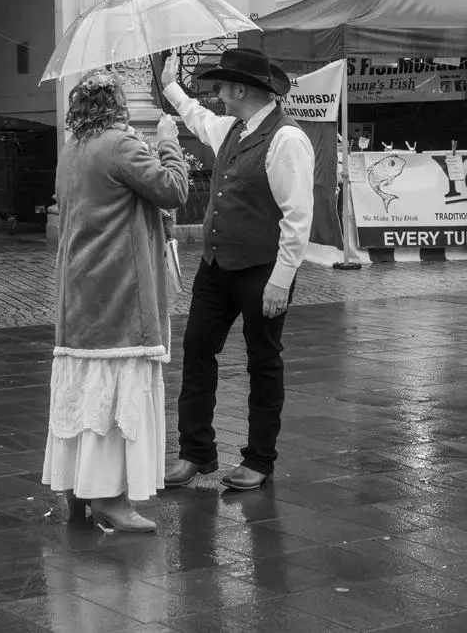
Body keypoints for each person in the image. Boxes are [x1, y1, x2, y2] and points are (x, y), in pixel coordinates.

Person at [162, 46, 315, 493]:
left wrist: (280, 282)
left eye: (223, 87)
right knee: (197, 349)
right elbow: (194, 115)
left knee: (263, 362)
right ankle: (195, 453)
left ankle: (259, 460)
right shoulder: (233, 128)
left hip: (261, 270)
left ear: (242, 89)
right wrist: (171, 85)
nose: (217, 95)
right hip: (216, 267)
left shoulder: (287, 140)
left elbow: (297, 219)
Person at [42, 69, 188, 534]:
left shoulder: (72, 150)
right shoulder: (119, 146)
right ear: (116, 105)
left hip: (80, 289)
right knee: (116, 394)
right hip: (119, 290)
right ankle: (112, 498)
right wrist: (167, 141)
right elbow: (173, 189)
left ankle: (78, 490)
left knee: (85, 392)